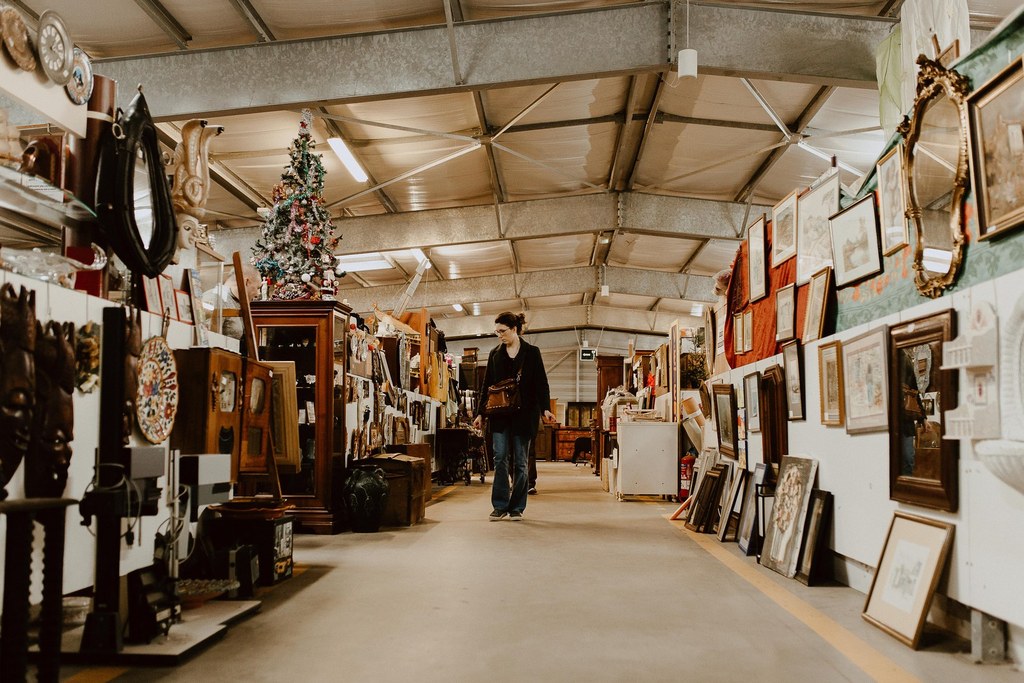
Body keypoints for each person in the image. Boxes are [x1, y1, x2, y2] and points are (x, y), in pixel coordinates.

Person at [473, 312, 554, 521]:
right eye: (497, 332)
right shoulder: (494, 354)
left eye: (503, 331)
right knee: (500, 458)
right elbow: (486, 385)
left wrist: (546, 408)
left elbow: (541, 383)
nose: (499, 335)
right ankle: (499, 505)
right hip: (499, 414)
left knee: (520, 462)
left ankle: (517, 506)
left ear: (514, 329)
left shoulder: (532, 353)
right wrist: (480, 413)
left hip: (525, 415)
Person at [202, 264, 260, 339]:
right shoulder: (216, 298)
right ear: (246, 282)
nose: (257, 294)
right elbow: (207, 339)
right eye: (257, 287)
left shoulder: (233, 301)